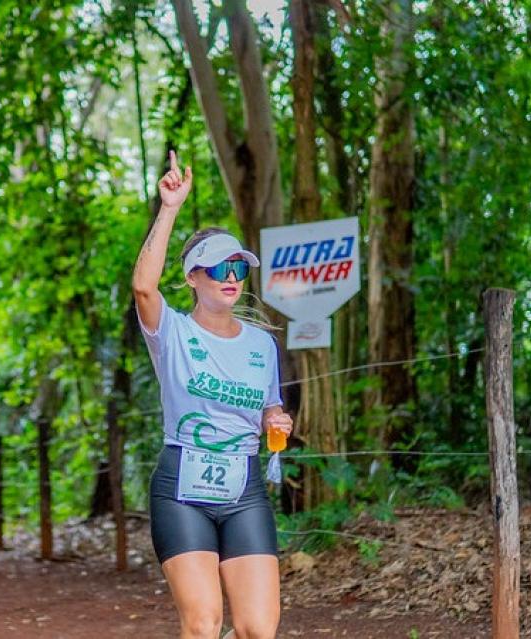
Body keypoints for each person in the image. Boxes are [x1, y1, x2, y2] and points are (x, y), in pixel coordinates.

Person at [132, 151, 293, 639]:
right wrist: (170, 208)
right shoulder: (172, 333)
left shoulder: (261, 343)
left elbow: (271, 408)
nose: (229, 277)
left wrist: (277, 422)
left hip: (243, 488)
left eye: (238, 269)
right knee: (203, 624)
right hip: (182, 487)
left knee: (257, 629)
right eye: (217, 267)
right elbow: (143, 287)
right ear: (192, 277)